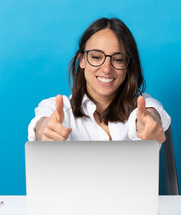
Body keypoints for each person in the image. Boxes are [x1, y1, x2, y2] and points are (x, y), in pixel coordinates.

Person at [28, 17, 171, 142]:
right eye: (96, 57)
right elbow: (41, 125)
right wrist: (45, 130)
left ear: (128, 66)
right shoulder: (54, 108)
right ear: (82, 60)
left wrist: (150, 123)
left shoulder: (143, 107)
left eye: (118, 59)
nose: (107, 69)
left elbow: (153, 114)